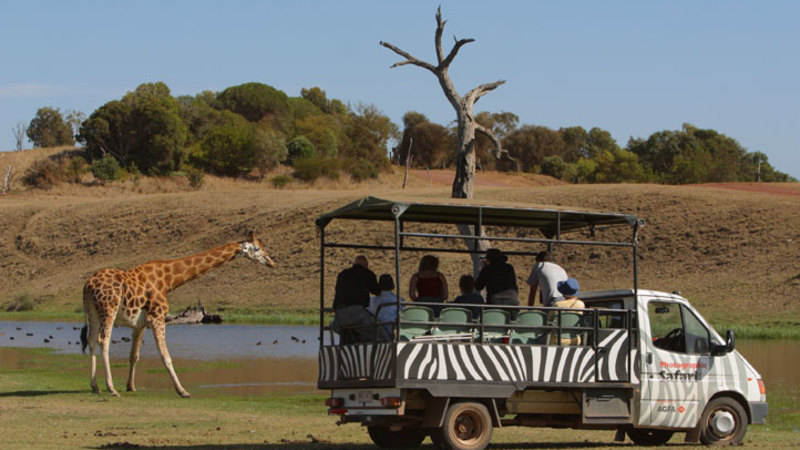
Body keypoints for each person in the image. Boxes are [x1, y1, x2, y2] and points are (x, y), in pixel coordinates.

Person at [332, 255, 380, 343]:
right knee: (379, 329)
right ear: (366, 265)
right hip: (357, 313)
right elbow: (376, 291)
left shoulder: (342, 273)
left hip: (339, 315)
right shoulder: (367, 273)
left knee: (349, 331)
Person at [549, 277, 586, 346]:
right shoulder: (581, 304)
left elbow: (549, 320)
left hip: (557, 340)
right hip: (575, 340)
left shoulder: (557, 304)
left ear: (563, 292)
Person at [369, 274, 402, 340]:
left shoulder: (371, 300)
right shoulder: (399, 300)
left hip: (374, 333)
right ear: (392, 285)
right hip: (390, 330)